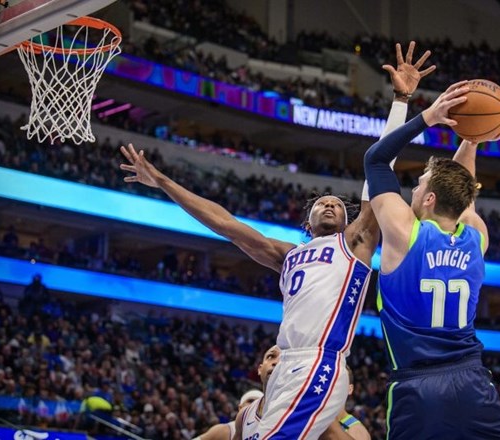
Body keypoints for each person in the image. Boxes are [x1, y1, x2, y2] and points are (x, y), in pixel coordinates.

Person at [121, 42, 435, 440]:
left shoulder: (355, 243)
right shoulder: (287, 256)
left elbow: (379, 167)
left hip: (320, 364)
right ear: (307, 221)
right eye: (321, 203)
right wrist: (163, 181)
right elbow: (224, 223)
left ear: (347, 218)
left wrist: (402, 99)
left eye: (337, 205)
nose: (329, 206)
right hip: (284, 368)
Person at [363, 81, 500, 439]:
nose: (414, 189)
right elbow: (462, 189)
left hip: (418, 387)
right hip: (472, 381)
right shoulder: (475, 235)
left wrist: (428, 117)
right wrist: (472, 139)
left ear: (431, 198)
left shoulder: (405, 233)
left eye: (419, 184)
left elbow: (374, 159)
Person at [198, 388, 265, 440]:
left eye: (259, 402)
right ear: (240, 408)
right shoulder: (224, 430)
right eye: (250, 401)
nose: (254, 405)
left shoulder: (270, 429)